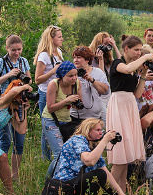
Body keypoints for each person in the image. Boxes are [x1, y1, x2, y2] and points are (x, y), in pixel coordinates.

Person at [106, 35, 153, 189]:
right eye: (136, 50)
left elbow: (137, 94)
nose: (138, 53)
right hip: (119, 106)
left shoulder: (133, 69)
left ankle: (121, 192)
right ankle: (109, 192)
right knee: (120, 151)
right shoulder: (118, 63)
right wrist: (146, 57)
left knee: (126, 154)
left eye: (140, 50)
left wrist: (143, 75)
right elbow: (127, 69)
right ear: (126, 49)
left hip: (130, 105)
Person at [44, 118, 132, 195]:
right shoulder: (78, 140)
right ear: (88, 131)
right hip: (66, 185)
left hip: (76, 182)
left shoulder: (92, 145)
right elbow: (89, 161)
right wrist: (105, 140)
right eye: (97, 130)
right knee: (100, 174)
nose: (101, 133)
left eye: (101, 130)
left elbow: (105, 171)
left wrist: (120, 192)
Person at [0, 34, 32, 182]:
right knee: (5, 140)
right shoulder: (0, 62)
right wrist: (8, 75)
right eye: (13, 50)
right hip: (3, 105)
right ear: (7, 48)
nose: (17, 53)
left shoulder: (23, 61)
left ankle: (15, 176)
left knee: (19, 142)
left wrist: (25, 85)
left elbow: (29, 80)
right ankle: (4, 175)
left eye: (19, 49)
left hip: (18, 104)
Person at [34, 25, 64, 160]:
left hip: (58, 93)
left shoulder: (59, 53)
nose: (62, 39)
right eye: (59, 37)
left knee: (58, 123)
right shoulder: (44, 56)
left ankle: (56, 153)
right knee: (47, 126)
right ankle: (46, 157)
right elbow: (37, 80)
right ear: (51, 39)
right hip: (45, 94)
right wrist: (53, 71)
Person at [42, 61, 82, 157]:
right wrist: (66, 100)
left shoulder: (76, 83)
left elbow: (80, 102)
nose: (74, 78)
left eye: (76, 75)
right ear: (62, 76)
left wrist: (76, 103)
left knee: (69, 153)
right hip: (51, 119)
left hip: (66, 120)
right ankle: (51, 167)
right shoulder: (54, 84)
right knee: (59, 153)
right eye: (70, 76)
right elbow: (50, 108)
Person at [71, 46, 110, 122]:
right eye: (74, 57)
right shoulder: (71, 73)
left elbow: (105, 91)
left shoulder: (98, 72)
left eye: (78, 57)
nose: (75, 60)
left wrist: (92, 80)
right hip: (75, 116)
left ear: (87, 59)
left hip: (95, 117)